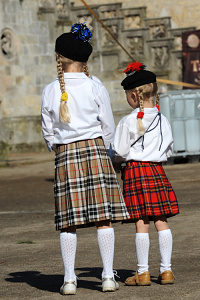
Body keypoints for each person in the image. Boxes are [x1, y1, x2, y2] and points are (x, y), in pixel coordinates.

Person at [41, 22, 130, 295]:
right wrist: (109, 151)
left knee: (69, 220)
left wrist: (58, 149)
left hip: (66, 154)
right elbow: (108, 126)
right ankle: (106, 277)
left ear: (60, 58)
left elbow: (47, 130)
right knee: (104, 218)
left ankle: (69, 280)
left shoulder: (50, 90)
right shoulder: (95, 86)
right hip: (95, 151)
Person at [113, 61, 179, 286]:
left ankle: (142, 273)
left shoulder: (128, 120)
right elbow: (169, 149)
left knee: (141, 222)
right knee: (161, 221)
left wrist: (117, 158)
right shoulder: (163, 119)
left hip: (135, 172)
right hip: (157, 171)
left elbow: (120, 151)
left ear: (133, 96)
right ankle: (167, 271)